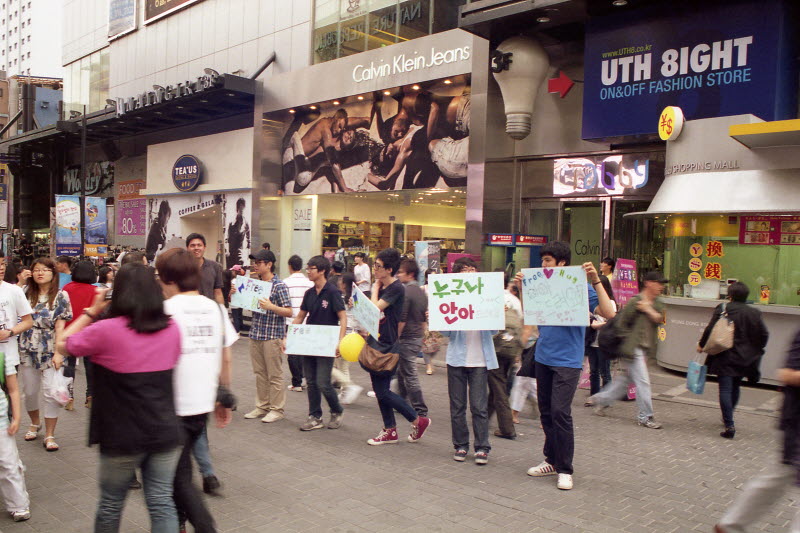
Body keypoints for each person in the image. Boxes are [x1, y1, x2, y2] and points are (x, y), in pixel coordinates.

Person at [54, 263, 183, 533]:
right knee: (161, 502)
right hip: (165, 431)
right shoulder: (172, 328)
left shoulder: (106, 330)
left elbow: (62, 343)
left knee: (111, 504)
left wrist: (92, 311)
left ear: (119, 292)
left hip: (121, 435)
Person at [520, 242, 614, 490]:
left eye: (548, 260)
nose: (543, 265)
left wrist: (595, 280)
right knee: (546, 412)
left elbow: (609, 312)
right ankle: (551, 460)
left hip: (568, 361)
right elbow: (531, 314)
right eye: (542, 260)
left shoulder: (580, 286)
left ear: (561, 263)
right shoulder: (540, 284)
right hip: (543, 356)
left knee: (560, 412)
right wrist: (522, 288)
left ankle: (565, 468)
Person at [156, 248, 236, 533]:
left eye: (159, 276)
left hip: (171, 408)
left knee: (177, 479)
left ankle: (204, 527)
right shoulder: (215, 309)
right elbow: (226, 356)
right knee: (181, 471)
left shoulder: (165, 311)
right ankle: (179, 524)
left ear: (169, 278)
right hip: (201, 406)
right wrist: (223, 397)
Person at [714, 328, 800, 533]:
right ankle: (731, 525)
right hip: (797, 423)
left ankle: (730, 525)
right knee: (777, 476)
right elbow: (786, 373)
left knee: (777, 477)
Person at [365, 249, 430, 446]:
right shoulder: (386, 287)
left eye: (378, 266)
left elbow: (374, 309)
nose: (375, 269)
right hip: (378, 340)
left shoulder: (396, 288)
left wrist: (374, 289)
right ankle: (390, 430)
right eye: (374, 265)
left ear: (389, 269)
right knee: (380, 389)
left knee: (383, 391)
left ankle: (418, 420)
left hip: (388, 344)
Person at [589, 271, 668, 430]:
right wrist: (628, 344)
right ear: (648, 283)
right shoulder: (635, 302)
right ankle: (645, 416)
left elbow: (660, 318)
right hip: (632, 349)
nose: (661, 287)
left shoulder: (658, 302)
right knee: (643, 381)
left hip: (645, 348)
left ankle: (601, 399)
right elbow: (621, 325)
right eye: (658, 283)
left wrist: (647, 309)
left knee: (626, 380)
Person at [437, 257, 497, 464]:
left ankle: (482, 447)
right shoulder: (451, 297)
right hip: (456, 359)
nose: (469, 273)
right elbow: (446, 332)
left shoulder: (486, 296)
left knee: (479, 407)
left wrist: (496, 313)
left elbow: (494, 330)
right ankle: (461, 445)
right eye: (464, 270)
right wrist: (436, 316)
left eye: (472, 269)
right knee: (457, 407)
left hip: (480, 361)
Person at [698, 281, 768, 439]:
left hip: (724, 354)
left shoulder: (723, 308)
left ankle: (729, 424)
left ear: (730, 295)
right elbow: (764, 334)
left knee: (725, 389)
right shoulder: (754, 313)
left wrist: (702, 345)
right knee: (736, 386)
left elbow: (710, 329)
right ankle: (728, 417)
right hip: (745, 357)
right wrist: (756, 349)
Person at [18, 257, 73, 452]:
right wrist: (20, 282)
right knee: (30, 391)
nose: (40, 273)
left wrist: (58, 352)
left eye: (45, 269)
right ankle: (35, 423)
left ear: (53, 273)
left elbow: (60, 327)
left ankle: (50, 434)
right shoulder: (24, 292)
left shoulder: (61, 296)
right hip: (27, 346)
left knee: (51, 391)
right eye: (36, 270)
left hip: (50, 347)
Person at [292, 255, 347, 431]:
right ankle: (315, 416)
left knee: (323, 381)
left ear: (322, 270)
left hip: (327, 342)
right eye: (307, 268)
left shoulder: (332, 292)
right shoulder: (309, 293)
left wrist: (340, 341)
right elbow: (300, 316)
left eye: (311, 268)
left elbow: (342, 317)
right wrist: (289, 336)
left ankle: (337, 410)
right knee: (311, 382)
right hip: (309, 341)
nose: (308, 271)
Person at [0, 252, 33, 521]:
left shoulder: (13, 291)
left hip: (6, 361)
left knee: (6, 429)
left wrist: (10, 332)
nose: (0, 269)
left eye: (1, 265)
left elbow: (28, 320)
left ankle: (17, 496)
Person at [242, 250, 292, 423]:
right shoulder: (255, 284)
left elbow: (289, 311)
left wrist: (271, 306)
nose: (255, 265)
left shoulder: (279, 286)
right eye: (254, 262)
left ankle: (277, 409)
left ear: (269, 264)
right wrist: (236, 293)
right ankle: (262, 406)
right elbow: (246, 303)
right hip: (256, 333)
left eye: (259, 262)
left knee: (274, 375)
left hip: (272, 335)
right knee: (260, 373)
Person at [394, 258, 429, 420]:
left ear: (410, 274)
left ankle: (420, 409)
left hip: (407, 336)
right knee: (402, 371)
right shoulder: (421, 292)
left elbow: (402, 319)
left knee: (409, 373)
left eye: (401, 272)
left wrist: (396, 337)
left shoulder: (406, 292)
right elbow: (423, 318)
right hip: (416, 336)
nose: (398, 275)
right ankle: (401, 401)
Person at [489, 278, 524, 440]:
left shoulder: (491, 298)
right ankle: (484, 414)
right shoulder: (515, 300)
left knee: (498, 386)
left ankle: (507, 428)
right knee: (498, 382)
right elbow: (523, 323)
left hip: (496, 347)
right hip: (512, 348)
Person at [62, 260, 99, 410]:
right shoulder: (96, 291)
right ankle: (90, 395)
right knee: (90, 365)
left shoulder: (67, 288)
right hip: (89, 332)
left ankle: (69, 396)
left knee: (69, 365)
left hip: (69, 330)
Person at [330, 272, 363, 404]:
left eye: (341, 280)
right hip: (352, 336)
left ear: (344, 283)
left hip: (343, 334)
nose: (339, 282)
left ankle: (349, 387)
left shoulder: (343, 298)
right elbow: (360, 318)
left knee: (336, 366)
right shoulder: (356, 298)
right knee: (341, 366)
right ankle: (345, 392)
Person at [283, 255, 313, 392]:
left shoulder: (285, 283)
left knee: (292, 353)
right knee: (304, 351)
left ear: (289, 266)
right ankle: (304, 378)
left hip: (291, 321)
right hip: (307, 321)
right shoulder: (309, 283)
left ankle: (297, 382)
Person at [584, 275, 615, 405]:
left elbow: (612, 320)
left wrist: (600, 325)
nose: (593, 288)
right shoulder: (590, 302)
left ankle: (606, 398)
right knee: (593, 371)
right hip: (592, 341)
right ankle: (594, 397)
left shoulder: (610, 303)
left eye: (596, 286)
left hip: (604, 343)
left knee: (605, 372)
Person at [186, 233, 224, 305]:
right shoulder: (181, 267)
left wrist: (222, 309)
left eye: (199, 245)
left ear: (204, 247)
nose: (196, 248)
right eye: (192, 245)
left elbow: (218, 293)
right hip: (188, 309)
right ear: (187, 248)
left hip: (209, 309)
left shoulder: (215, 266)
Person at [228, 265, 245, 333]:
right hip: (241, 300)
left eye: (233, 271)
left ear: (235, 272)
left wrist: (229, 293)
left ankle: (237, 331)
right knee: (240, 315)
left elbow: (232, 291)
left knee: (235, 317)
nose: (232, 272)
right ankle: (241, 327)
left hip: (235, 301)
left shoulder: (233, 281)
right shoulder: (242, 280)